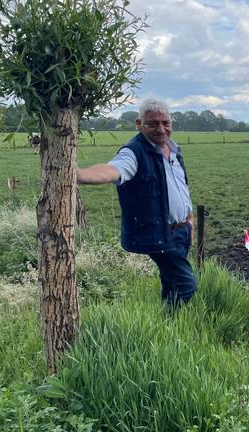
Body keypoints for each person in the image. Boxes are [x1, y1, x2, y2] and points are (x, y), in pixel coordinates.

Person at [77, 99, 197, 307]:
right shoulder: (133, 152)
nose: (161, 129)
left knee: (171, 283)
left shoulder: (174, 149)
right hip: (160, 234)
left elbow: (181, 186)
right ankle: (175, 325)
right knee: (187, 286)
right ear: (139, 123)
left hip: (182, 230)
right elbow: (113, 169)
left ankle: (167, 322)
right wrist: (77, 174)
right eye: (153, 124)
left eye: (165, 123)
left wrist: (189, 219)